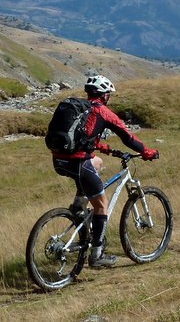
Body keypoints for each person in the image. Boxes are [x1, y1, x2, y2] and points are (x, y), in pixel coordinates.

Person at [51, 74, 159, 267]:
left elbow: (84, 136)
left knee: (98, 163)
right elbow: (127, 137)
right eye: (108, 94)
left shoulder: (80, 109)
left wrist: (102, 147)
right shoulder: (102, 111)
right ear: (104, 95)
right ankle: (97, 255)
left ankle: (78, 205)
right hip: (78, 163)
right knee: (101, 205)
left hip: (59, 160)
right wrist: (146, 151)